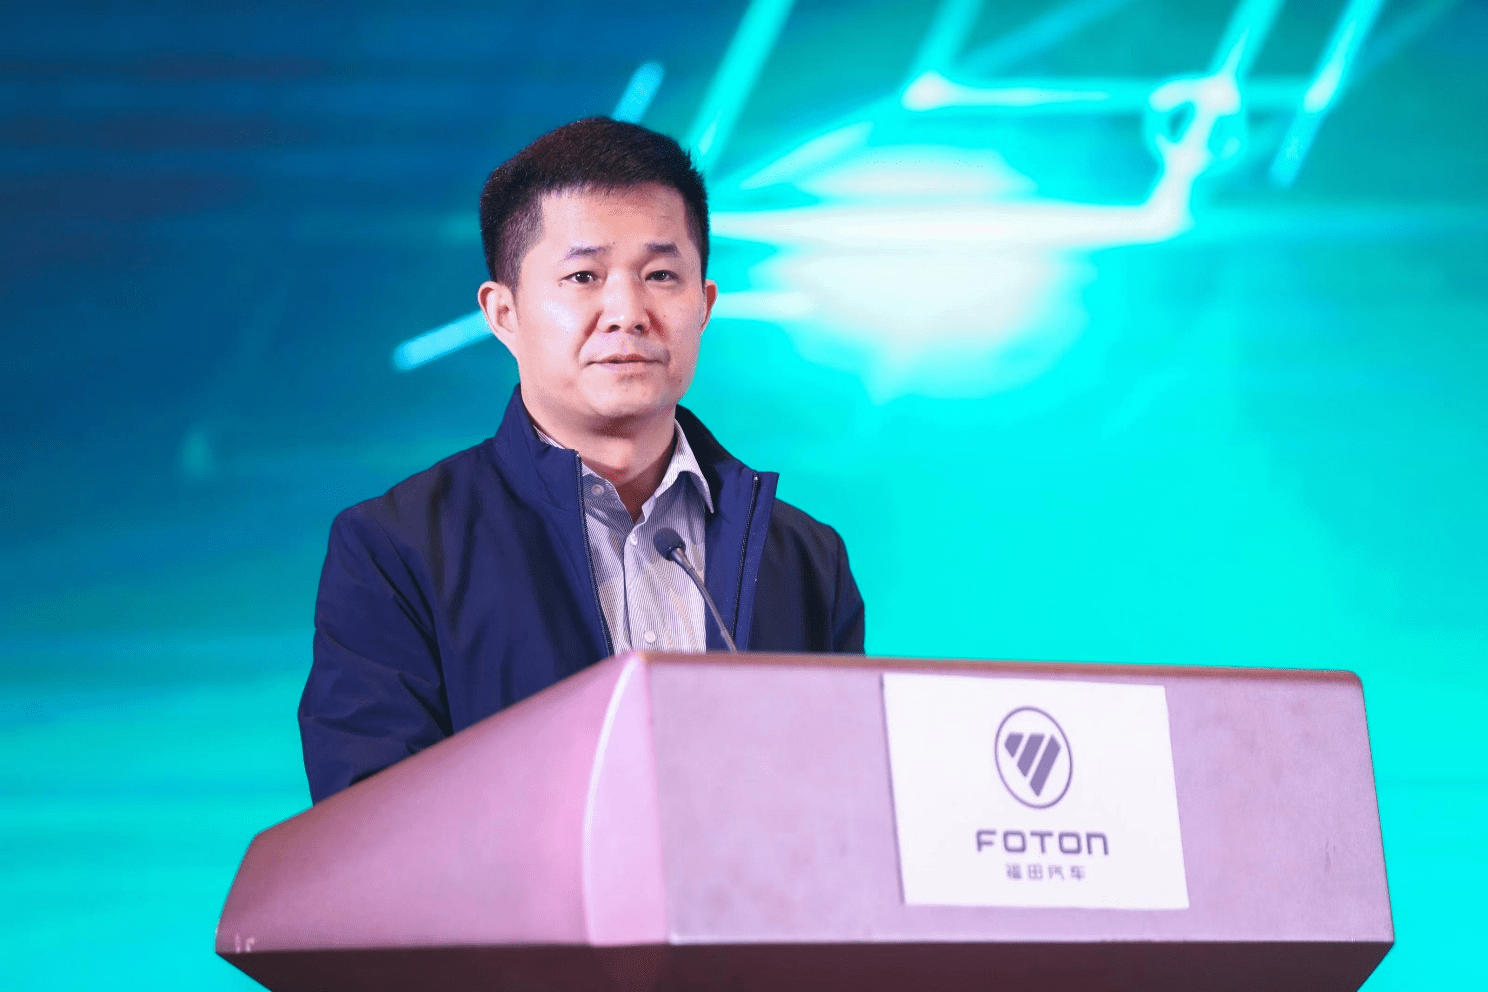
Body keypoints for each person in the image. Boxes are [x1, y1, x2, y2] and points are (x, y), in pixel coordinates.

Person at [298, 117, 865, 804]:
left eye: (662, 275)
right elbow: (369, 824)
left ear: (704, 304)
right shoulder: (395, 551)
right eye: (583, 276)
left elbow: (849, 810)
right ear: (503, 313)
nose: (627, 312)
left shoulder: (803, 558)